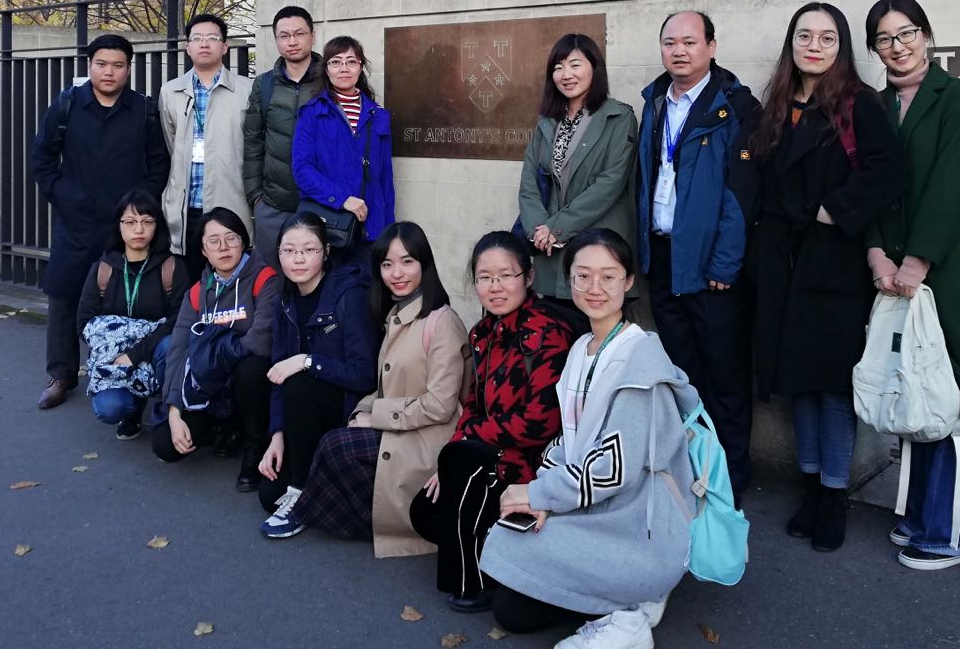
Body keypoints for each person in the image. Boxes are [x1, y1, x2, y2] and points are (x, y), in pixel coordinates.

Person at [480, 229, 697, 649]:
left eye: (608, 277)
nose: (594, 288)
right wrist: (540, 495)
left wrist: (539, 494)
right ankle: (628, 598)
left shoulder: (641, 358)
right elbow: (568, 439)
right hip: (593, 507)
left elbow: (613, 470)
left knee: (511, 585)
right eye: (583, 276)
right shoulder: (582, 347)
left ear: (628, 281)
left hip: (636, 523)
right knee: (508, 581)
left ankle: (627, 617)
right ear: (569, 280)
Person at [746, 2, 902, 553]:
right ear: (791, 43)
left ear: (842, 47)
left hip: (833, 265)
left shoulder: (859, 103)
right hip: (782, 265)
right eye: (805, 36)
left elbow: (889, 171)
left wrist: (833, 210)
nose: (814, 46)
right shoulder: (777, 104)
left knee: (832, 387)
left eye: (827, 37)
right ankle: (811, 486)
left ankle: (834, 495)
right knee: (797, 385)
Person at [863, 0, 960, 570]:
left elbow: (955, 182)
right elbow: (869, 183)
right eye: (884, 38)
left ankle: (959, 533)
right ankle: (923, 516)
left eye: (907, 33)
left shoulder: (958, 98)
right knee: (916, 390)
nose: (897, 46)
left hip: (952, 269)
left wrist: (918, 260)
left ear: (925, 36)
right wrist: (877, 251)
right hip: (894, 270)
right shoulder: (875, 105)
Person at [263, 222, 471, 550]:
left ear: (425, 264)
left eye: (407, 262)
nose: (396, 273)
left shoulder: (442, 321)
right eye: (387, 264)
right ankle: (316, 497)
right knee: (270, 493)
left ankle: (317, 502)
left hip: (423, 436)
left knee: (333, 446)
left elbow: (439, 406)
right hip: (395, 423)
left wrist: (374, 416)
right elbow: (381, 384)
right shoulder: (395, 314)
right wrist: (280, 434)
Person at [409, 231, 573, 613]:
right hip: (489, 453)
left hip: (532, 464)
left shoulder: (547, 332)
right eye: (485, 278)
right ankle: (493, 550)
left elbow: (541, 422)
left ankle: (474, 581)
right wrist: (454, 450)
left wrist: (469, 443)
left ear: (528, 277)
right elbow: (474, 403)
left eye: (505, 276)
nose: (495, 287)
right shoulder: (483, 333)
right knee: (424, 510)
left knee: (463, 479)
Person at [635, 11, 759, 505]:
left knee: (725, 376)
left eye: (689, 41)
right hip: (664, 257)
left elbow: (741, 195)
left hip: (712, 266)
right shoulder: (655, 102)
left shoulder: (735, 106)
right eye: (670, 42)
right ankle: (694, 473)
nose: (679, 51)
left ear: (711, 46)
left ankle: (731, 482)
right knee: (683, 375)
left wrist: (725, 264)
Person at [29, 33, 170, 410]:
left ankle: (123, 370)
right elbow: (42, 161)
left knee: (126, 297)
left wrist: (140, 207)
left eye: (118, 65)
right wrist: (66, 196)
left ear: (129, 69)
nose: (109, 72)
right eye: (102, 64)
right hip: (76, 221)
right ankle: (60, 374)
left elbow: (159, 163)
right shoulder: (67, 105)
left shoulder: (143, 110)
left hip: (126, 225)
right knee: (64, 295)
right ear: (90, 65)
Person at [257, 212, 379, 533]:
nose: (298, 259)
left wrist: (308, 361)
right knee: (269, 494)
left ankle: (300, 494)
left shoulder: (349, 294)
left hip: (345, 409)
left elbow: (364, 375)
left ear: (325, 252)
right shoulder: (285, 298)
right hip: (303, 415)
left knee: (299, 381)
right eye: (289, 250)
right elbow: (278, 372)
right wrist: (277, 434)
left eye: (309, 250)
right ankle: (312, 483)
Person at [152, 207, 279, 490]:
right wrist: (174, 410)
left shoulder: (264, 279)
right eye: (213, 241)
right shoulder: (198, 292)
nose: (223, 247)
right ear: (203, 250)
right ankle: (221, 427)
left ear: (244, 241)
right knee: (164, 445)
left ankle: (254, 443)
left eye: (231, 238)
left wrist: (214, 358)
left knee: (252, 368)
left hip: (248, 383)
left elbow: (261, 340)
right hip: (211, 390)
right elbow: (179, 350)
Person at [518, 33, 638, 331]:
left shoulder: (618, 117)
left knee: (597, 335)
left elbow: (610, 183)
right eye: (558, 67)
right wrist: (539, 230)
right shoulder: (547, 121)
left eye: (575, 64)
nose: (566, 74)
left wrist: (557, 228)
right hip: (550, 252)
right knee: (554, 340)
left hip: (597, 248)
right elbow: (529, 182)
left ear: (594, 68)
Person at [74, 190, 188, 439]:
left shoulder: (172, 267)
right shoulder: (103, 268)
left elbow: (180, 320)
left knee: (170, 345)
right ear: (119, 225)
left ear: (157, 226)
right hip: (116, 359)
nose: (139, 229)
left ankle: (167, 412)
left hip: (154, 351)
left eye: (147, 221)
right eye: (130, 222)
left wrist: (135, 354)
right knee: (109, 409)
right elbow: (83, 322)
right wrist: (117, 349)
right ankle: (133, 410)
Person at [160, 13, 251, 285]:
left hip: (230, 202)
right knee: (189, 284)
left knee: (232, 282)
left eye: (212, 38)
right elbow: (171, 142)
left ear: (225, 46)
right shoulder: (170, 91)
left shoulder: (246, 90)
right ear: (187, 47)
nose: (204, 44)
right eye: (197, 38)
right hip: (186, 207)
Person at [291, 35, 395, 256]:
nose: (344, 68)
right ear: (326, 69)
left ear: (360, 67)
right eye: (336, 62)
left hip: (371, 228)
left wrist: (389, 230)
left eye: (351, 61)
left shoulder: (379, 116)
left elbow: (386, 178)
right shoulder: (312, 113)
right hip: (329, 225)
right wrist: (342, 199)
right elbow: (302, 170)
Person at [244, 5, 322, 264]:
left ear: (312, 36)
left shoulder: (330, 81)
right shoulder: (264, 84)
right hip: (273, 205)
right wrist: (256, 196)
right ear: (276, 40)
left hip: (322, 202)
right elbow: (253, 141)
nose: (292, 41)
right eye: (284, 35)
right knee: (272, 276)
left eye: (299, 34)